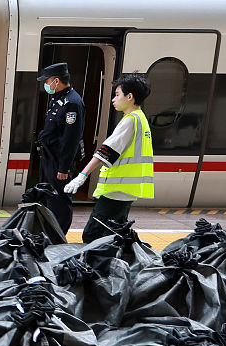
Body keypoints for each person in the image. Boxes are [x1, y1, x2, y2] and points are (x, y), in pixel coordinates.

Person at [65, 74, 154, 243]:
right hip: (126, 192)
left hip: (116, 192)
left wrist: (81, 176)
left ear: (130, 97)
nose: (114, 99)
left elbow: (105, 151)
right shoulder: (141, 119)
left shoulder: (130, 121)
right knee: (113, 237)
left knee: (92, 235)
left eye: (117, 94)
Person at [35, 62, 86, 233]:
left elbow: (71, 139)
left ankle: (58, 235)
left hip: (59, 161)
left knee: (59, 201)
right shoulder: (58, 100)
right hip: (49, 158)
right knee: (47, 196)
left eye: (47, 81)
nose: (45, 84)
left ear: (56, 81)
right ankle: (46, 232)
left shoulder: (73, 103)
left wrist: (64, 167)